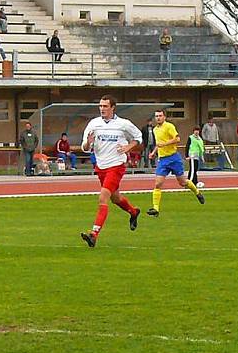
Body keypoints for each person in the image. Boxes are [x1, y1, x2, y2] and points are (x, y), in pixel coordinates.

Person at [79, 95, 143, 247]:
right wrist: (88, 143)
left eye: (105, 106)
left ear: (113, 107)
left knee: (103, 198)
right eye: (100, 106)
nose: (102, 109)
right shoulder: (93, 124)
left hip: (116, 165)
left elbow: (139, 137)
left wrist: (128, 147)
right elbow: (84, 147)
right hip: (101, 166)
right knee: (115, 198)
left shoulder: (123, 124)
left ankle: (94, 234)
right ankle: (133, 212)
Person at [146, 109, 205, 217]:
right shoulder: (155, 130)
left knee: (182, 182)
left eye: (160, 116)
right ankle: (155, 208)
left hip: (173, 158)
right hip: (163, 160)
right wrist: (153, 152)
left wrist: (165, 144)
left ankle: (197, 192)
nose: (158, 118)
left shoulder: (169, 126)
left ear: (164, 117)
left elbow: (177, 139)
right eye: (156, 116)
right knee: (158, 183)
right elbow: (159, 144)